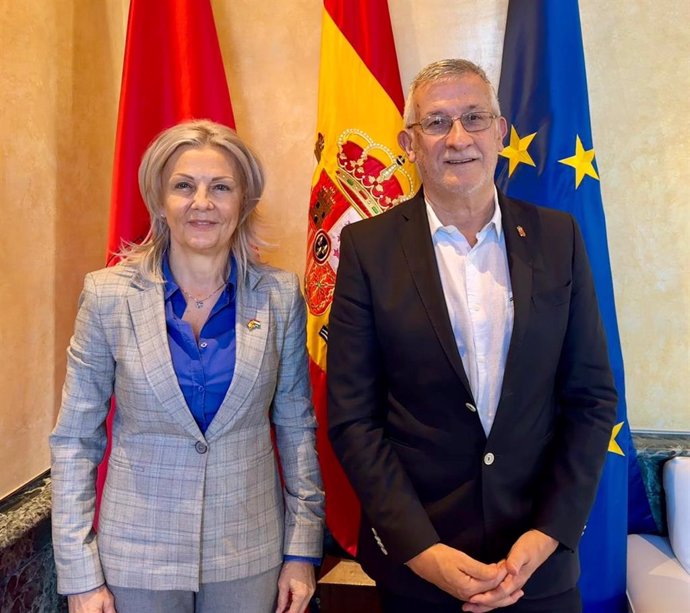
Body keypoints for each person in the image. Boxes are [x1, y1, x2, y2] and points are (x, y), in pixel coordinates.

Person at [327, 59, 617, 613]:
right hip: (420, 571)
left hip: (538, 567)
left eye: (473, 117)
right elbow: (353, 418)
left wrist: (547, 533)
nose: (457, 138)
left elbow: (591, 399)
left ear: (500, 132)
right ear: (408, 143)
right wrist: (422, 551)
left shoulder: (559, 238)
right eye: (436, 123)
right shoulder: (368, 249)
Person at [50, 119, 324, 613]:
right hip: (134, 557)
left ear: (243, 202)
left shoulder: (280, 295)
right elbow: (75, 438)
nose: (203, 203)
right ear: (159, 200)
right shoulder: (107, 296)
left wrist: (302, 549)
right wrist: (79, 575)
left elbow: (296, 426)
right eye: (184, 186)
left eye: (221, 187)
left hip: (249, 551)